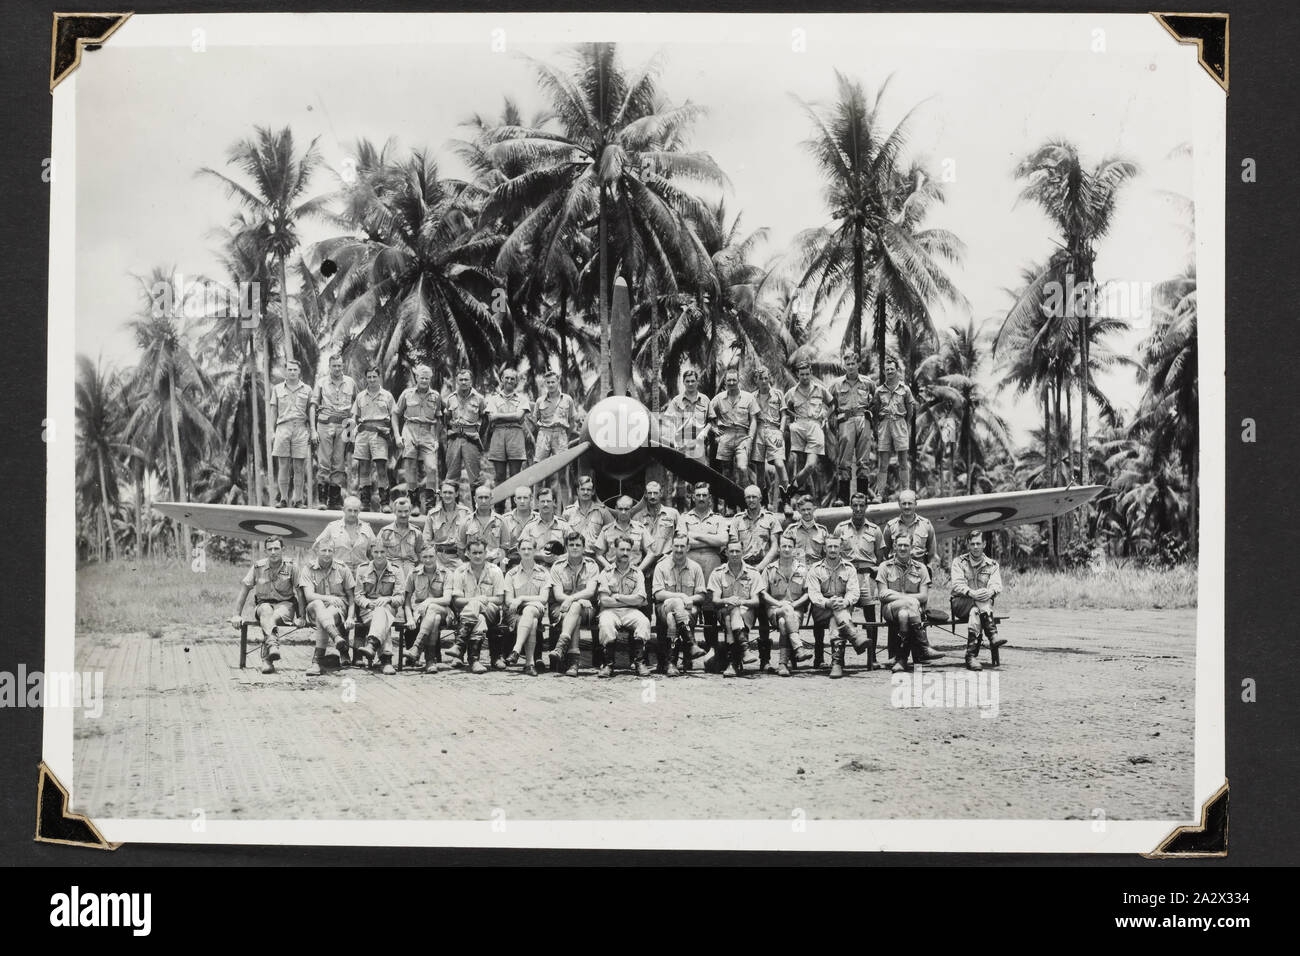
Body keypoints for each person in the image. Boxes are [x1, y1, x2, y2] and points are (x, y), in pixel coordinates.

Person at [229, 535, 303, 675]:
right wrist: (236, 615)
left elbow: (300, 593)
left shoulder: (292, 566)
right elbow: (244, 590)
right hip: (263, 605)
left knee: (271, 617)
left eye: (276, 548)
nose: (273, 552)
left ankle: (267, 660)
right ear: (265, 551)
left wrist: (301, 616)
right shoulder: (258, 567)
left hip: (285, 605)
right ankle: (272, 648)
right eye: (270, 549)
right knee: (265, 611)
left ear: (283, 549)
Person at [876, 532, 944, 672]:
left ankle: (901, 659)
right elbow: (882, 594)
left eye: (906, 545)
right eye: (899, 545)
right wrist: (909, 599)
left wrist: (901, 598)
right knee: (909, 604)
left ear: (911, 547)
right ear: (894, 546)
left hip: (911, 611)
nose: (902, 548)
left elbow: (924, 596)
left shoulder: (921, 568)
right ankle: (924, 647)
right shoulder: (885, 566)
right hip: (889, 610)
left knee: (904, 614)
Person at [807, 535, 872, 679]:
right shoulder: (815, 569)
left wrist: (846, 601)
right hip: (821, 611)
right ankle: (853, 638)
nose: (832, 549)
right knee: (836, 611)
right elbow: (813, 594)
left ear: (840, 548)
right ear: (824, 548)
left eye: (836, 546)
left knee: (835, 619)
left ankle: (836, 665)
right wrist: (828, 602)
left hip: (841, 610)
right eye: (829, 546)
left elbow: (854, 591)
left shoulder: (849, 568)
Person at [596, 537, 654, 678]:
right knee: (606, 624)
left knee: (643, 622)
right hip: (610, 611)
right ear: (615, 550)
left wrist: (618, 597)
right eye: (622, 549)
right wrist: (630, 601)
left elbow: (640, 599)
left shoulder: (637, 573)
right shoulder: (606, 572)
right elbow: (604, 601)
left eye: (628, 550)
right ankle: (608, 664)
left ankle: (639, 662)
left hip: (631, 611)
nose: (625, 553)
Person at [545, 531, 601, 678]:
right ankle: (573, 664)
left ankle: (561, 646)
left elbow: (590, 591)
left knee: (575, 608)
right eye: (571, 545)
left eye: (578, 545)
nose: (575, 548)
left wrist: (571, 599)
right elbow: (557, 595)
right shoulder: (557, 566)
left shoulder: (592, 565)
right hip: (561, 608)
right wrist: (576, 600)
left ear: (583, 548)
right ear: (566, 547)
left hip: (587, 610)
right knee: (574, 611)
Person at [950, 530, 1006, 671]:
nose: (975, 547)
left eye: (978, 543)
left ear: (984, 544)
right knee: (981, 603)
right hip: (961, 603)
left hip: (980, 607)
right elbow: (957, 585)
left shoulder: (992, 565)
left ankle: (971, 657)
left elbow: (997, 585)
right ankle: (992, 634)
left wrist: (989, 591)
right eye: (972, 544)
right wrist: (972, 593)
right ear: (968, 545)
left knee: (976, 611)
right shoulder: (959, 562)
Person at [448, 537, 506, 674]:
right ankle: (474, 661)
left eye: (481, 552)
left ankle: (459, 644)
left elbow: (499, 599)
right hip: (470, 615)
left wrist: (479, 600)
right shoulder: (460, 572)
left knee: (477, 606)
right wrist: (477, 601)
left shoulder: (495, 571)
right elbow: (457, 601)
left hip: (492, 612)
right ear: (467, 553)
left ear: (486, 553)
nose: (478, 556)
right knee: (479, 617)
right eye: (474, 553)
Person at [651, 533, 707, 676]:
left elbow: (701, 595)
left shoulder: (695, 567)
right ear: (671, 546)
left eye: (683, 546)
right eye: (676, 546)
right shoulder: (661, 567)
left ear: (688, 547)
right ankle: (691, 644)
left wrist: (689, 599)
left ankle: (671, 663)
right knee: (675, 604)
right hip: (663, 607)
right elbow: (658, 594)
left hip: (687, 611)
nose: (679, 549)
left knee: (672, 618)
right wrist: (681, 597)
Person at [297, 539, 355, 676]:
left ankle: (316, 663)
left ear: (334, 552)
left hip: (337, 610)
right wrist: (329, 598)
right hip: (314, 608)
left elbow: (351, 598)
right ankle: (336, 637)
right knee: (318, 604)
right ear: (317, 551)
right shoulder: (308, 569)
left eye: (330, 551)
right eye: (323, 550)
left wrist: (351, 617)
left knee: (323, 617)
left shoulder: (342, 568)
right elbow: (309, 596)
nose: (327, 554)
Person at [759, 537, 814, 677]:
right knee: (785, 612)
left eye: (790, 546)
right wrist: (779, 604)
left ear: (794, 549)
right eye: (784, 546)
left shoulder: (802, 569)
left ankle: (782, 664)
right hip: (774, 610)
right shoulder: (770, 569)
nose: (787, 549)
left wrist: (793, 604)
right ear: (778, 549)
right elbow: (763, 593)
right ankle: (798, 648)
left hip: (796, 610)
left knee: (784, 621)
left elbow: (808, 594)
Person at [706, 540, 762, 677]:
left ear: (743, 552)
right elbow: (715, 600)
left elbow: (756, 601)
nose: (735, 554)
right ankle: (744, 649)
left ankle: (733, 663)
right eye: (731, 551)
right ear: (726, 552)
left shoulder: (753, 573)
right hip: (724, 610)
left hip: (746, 613)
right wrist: (727, 600)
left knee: (732, 616)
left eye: (738, 551)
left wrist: (740, 601)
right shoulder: (718, 573)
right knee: (731, 613)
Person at [833, 490, 887, 630]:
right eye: (855, 505)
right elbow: (833, 553)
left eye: (861, 505)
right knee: (844, 614)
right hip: (846, 576)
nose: (858, 509)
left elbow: (880, 559)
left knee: (870, 618)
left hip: (866, 577)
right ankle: (841, 650)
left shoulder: (875, 530)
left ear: (866, 507)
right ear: (850, 506)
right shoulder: (841, 528)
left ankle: (872, 651)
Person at [783, 359, 834, 502]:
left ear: (811, 373)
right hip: (798, 427)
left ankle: (789, 490)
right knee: (798, 463)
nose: (805, 377)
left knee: (810, 465)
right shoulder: (791, 393)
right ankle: (804, 497)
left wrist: (826, 417)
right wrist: (791, 420)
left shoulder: (819, 389)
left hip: (815, 426)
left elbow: (833, 404)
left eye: (807, 374)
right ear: (797, 375)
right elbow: (784, 410)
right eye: (802, 374)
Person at [351, 366, 401, 513]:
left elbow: (394, 417)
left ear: (379, 377)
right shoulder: (360, 396)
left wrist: (395, 435)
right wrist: (351, 434)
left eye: (374, 377)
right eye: (369, 377)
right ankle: (365, 502)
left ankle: (384, 503)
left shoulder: (387, 396)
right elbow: (354, 417)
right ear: (366, 378)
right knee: (364, 469)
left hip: (380, 434)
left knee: (381, 470)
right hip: (363, 434)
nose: (372, 380)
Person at [311, 354, 358, 510]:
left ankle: (335, 501)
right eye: (334, 366)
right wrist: (313, 430)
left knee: (339, 464)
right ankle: (322, 500)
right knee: (324, 462)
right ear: (329, 366)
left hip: (345, 425)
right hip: (325, 424)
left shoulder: (350, 382)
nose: (337, 368)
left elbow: (357, 405)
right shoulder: (321, 383)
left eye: (339, 365)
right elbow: (313, 406)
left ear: (342, 365)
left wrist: (353, 429)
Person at [395, 364, 443, 516]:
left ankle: (430, 506)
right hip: (410, 430)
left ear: (430, 379)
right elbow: (395, 414)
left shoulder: (435, 396)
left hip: (428, 431)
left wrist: (436, 438)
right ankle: (414, 504)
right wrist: (397, 435)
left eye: (427, 378)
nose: (424, 380)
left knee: (432, 468)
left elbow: (439, 419)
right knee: (410, 468)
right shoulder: (407, 394)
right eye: (421, 377)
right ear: (416, 377)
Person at [354, 539, 406, 675]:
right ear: (371, 553)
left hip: (388, 607)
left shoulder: (396, 570)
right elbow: (358, 595)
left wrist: (388, 599)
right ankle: (386, 661)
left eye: (382, 552)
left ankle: (372, 644)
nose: (379, 555)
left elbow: (400, 597)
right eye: (376, 552)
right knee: (383, 619)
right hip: (368, 610)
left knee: (382, 611)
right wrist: (367, 603)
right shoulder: (362, 569)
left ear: (387, 552)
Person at [830, 349, 876, 503]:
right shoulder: (836, 384)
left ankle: (862, 496)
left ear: (858, 365)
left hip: (863, 418)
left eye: (853, 363)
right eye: (848, 364)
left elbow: (875, 402)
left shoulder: (868, 382)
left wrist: (872, 420)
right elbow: (830, 404)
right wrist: (832, 421)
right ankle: (842, 497)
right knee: (844, 460)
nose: (850, 366)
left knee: (863, 460)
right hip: (845, 421)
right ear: (844, 365)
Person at [403, 543, 455, 674]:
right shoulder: (413, 573)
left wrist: (429, 600)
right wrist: (409, 617)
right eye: (424, 556)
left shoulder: (446, 573)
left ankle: (416, 648)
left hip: (444, 611)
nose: (428, 560)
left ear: (436, 555)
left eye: (431, 556)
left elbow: (447, 599)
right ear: (420, 557)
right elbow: (407, 599)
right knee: (434, 619)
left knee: (433, 610)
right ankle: (430, 661)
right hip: (422, 613)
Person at [503, 536, 551, 676]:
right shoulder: (511, 574)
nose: (526, 551)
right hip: (516, 613)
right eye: (523, 548)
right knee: (532, 620)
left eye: (530, 548)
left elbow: (543, 599)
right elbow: (508, 601)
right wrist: (530, 602)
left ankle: (516, 650)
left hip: (537, 609)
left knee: (531, 611)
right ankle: (529, 664)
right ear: (518, 550)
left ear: (535, 550)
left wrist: (522, 598)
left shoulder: (544, 573)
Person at [270, 360, 315, 508]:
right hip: (283, 428)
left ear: (299, 371)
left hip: (301, 428)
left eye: (295, 369)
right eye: (289, 369)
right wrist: (272, 431)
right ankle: (283, 499)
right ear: (285, 371)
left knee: (299, 467)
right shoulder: (277, 389)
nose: (292, 372)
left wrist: (312, 429)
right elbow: (273, 411)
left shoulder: (307, 389)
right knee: (283, 465)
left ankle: (298, 500)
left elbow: (311, 410)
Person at [664, 368, 711, 510]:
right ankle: (680, 511)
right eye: (687, 381)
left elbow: (711, 421)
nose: (690, 384)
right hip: (681, 443)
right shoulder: (677, 401)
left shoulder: (705, 400)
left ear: (697, 382)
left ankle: (697, 509)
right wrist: (674, 440)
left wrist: (704, 433)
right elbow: (668, 422)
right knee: (680, 479)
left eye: (693, 381)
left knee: (699, 478)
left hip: (698, 444)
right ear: (684, 383)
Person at [533, 370, 579, 505]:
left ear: (558, 382)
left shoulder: (568, 399)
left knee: (563, 476)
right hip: (544, 434)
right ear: (545, 384)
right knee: (539, 474)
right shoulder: (540, 400)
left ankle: (566, 508)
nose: (551, 385)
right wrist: (545, 433)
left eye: (553, 382)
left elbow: (572, 421)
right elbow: (535, 420)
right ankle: (536, 507)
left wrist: (565, 435)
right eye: (548, 382)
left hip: (561, 435)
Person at [708, 367, 758, 493]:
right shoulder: (718, 399)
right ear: (725, 381)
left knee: (742, 468)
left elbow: (754, 420)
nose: (731, 383)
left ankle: (746, 500)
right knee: (726, 472)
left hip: (743, 436)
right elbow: (708, 414)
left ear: (738, 381)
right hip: (725, 435)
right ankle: (730, 506)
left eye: (733, 380)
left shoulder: (748, 397)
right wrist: (714, 428)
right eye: (728, 380)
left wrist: (750, 438)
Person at [874, 354, 916, 496]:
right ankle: (880, 494)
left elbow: (910, 412)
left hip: (900, 423)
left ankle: (906, 490)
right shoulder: (879, 391)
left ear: (897, 370)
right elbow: (875, 410)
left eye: (892, 369)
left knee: (903, 460)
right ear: (884, 372)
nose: (890, 372)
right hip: (884, 424)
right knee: (883, 463)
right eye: (887, 369)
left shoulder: (905, 389)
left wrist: (905, 424)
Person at [484, 369, 533, 494]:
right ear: (502, 379)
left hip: (516, 436)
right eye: (507, 378)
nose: (509, 381)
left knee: (515, 476)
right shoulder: (493, 399)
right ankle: (499, 510)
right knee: (499, 475)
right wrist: (513, 415)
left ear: (516, 381)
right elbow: (491, 418)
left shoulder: (522, 399)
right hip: (498, 436)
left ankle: (514, 509)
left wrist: (499, 416)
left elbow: (519, 417)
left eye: (512, 378)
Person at [751, 366, 790, 512]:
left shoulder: (778, 394)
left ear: (769, 378)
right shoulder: (752, 397)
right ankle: (764, 503)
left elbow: (784, 415)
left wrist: (781, 432)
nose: (763, 381)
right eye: (760, 378)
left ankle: (786, 501)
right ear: (756, 380)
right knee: (760, 470)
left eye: (766, 378)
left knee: (780, 464)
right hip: (758, 431)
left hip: (774, 430)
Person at [444, 368, 487, 489]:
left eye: (466, 380)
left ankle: (477, 507)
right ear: (457, 381)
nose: (463, 382)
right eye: (461, 380)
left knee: (475, 477)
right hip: (454, 438)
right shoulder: (450, 398)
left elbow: (485, 419)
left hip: (471, 438)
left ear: (471, 381)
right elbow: (446, 419)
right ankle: (452, 506)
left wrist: (479, 435)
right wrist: (450, 433)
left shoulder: (479, 398)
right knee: (451, 477)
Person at [883, 489, 940, 577]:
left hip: (919, 571)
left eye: (910, 503)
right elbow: (885, 553)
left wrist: (929, 572)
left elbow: (932, 553)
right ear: (899, 504)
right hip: (896, 572)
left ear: (915, 504)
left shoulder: (926, 525)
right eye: (904, 503)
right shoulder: (891, 526)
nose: (907, 506)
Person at [314, 495, 376, 570]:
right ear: (343, 510)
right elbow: (316, 547)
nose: (352, 514)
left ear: (359, 511)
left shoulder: (366, 528)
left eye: (355, 511)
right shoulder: (333, 527)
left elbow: (375, 550)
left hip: (362, 574)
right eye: (349, 510)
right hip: (339, 573)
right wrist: (326, 565)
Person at [595, 496, 654, 574]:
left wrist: (639, 570)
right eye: (620, 509)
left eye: (626, 509)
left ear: (631, 509)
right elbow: (598, 554)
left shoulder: (640, 528)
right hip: (613, 574)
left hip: (634, 574)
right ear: (616, 508)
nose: (623, 512)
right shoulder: (607, 530)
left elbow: (651, 553)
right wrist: (608, 567)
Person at [561, 475, 613, 560]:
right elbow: (562, 537)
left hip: (595, 560)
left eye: (588, 490)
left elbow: (612, 533)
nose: (585, 492)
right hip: (573, 559)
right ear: (577, 491)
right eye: (582, 489)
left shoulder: (602, 511)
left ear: (593, 492)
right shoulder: (568, 512)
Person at [458, 484, 508, 566]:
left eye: (486, 497)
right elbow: (461, 549)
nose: (483, 501)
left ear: (491, 499)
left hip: (494, 567)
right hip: (472, 567)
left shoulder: (501, 521)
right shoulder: (466, 522)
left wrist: (500, 568)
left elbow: (505, 549)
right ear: (475, 499)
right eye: (480, 498)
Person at [632, 480, 680, 566]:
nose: (652, 496)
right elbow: (634, 545)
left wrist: (672, 555)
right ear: (645, 495)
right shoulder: (637, 517)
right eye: (650, 493)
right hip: (644, 563)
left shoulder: (673, 514)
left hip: (667, 561)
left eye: (655, 493)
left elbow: (681, 537)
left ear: (661, 493)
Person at [426, 479, 470, 574]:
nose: (447, 495)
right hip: (438, 558)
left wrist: (466, 559)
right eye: (444, 492)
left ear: (456, 494)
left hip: (459, 557)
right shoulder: (432, 514)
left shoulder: (466, 513)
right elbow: (426, 540)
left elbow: (471, 538)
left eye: (450, 492)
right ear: (440, 494)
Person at [520, 487, 571, 567]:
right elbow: (519, 551)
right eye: (543, 501)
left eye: (548, 501)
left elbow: (574, 550)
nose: (545, 504)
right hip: (536, 572)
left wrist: (558, 558)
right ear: (537, 503)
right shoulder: (530, 527)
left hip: (558, 570)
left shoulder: (564, 526)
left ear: (554, 502)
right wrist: (539, 556)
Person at [378, 495, 425, 578]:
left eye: (406, 511)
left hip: (411, 569)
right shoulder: (385, 532)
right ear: (394, 512)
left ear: (410, 511)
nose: (403, 515)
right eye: (400, 511)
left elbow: (420, 554)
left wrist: (418, 569)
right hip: (390, 571)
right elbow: (378, 554)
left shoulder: (416, 532)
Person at [780, 494, 828, 566]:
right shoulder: (791, 530)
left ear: (814, 508)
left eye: (809, 509)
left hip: (816, 569)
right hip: (796, 568)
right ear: (799, 511)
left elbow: (827, 555)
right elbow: (783, 553)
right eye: (803, 510)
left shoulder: (822, 531)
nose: (806, 512)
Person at [501, 487, 537, 565]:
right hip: (511, 562)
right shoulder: (505, 520)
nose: (522, 501)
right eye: (519, 498)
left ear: (531, 498)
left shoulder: (538, 519)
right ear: (514, 500)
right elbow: (501, 548)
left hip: (535, 561)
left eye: (525, 498)